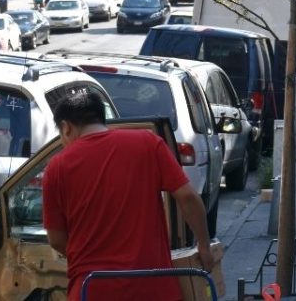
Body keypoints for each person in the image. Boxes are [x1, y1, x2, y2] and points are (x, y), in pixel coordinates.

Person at [41, 90, 213, 300]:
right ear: (100, 118)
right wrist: (203, 245)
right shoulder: (147, 143)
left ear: (66, 127)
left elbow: (56, 239)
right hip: (153, 287)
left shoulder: (57, 167)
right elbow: (187, 197)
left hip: (93, 288)